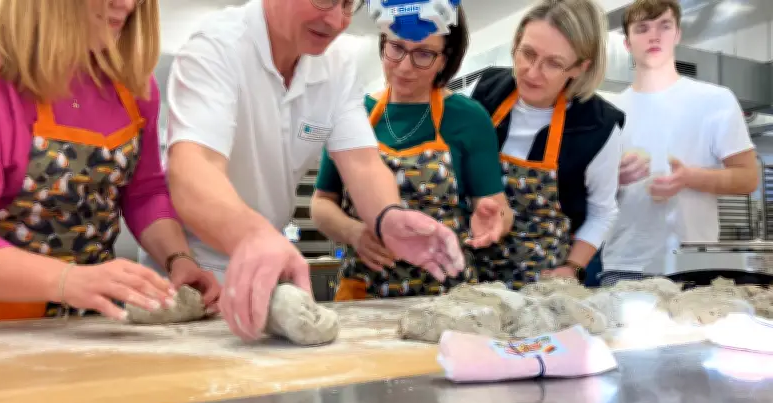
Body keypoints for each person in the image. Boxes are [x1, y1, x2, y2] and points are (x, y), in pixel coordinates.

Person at [158, 0, 470, 342]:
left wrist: (388, 217)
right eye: (325, 0)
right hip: (189, 271)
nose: (337, 21)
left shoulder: (337, 65)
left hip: (267, 267)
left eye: (349, 4)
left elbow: (363, 163)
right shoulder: (216, 47)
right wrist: (253, 236)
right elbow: (194, 167)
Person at [0, 0, 220, 322]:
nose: (128, 5)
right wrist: (67, 280)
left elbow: (144, 193)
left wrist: (178, 259)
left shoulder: (130, 84)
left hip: (89, 323)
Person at [310, 8, 512, 301]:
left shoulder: (469, 119)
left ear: (445, 59)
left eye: (423, 54)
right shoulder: (354, 113)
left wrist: (494, 219)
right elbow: (321, 203)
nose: (404, 67)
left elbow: (498, 209)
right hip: (364, 293)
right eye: (396, 48)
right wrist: (353, 232)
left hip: (446, 293)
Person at [599, 0, 759, 286]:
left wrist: (690, 178)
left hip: (695, 264)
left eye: (664, 26)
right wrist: (613, 178)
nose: (654, 35)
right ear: (627, 43)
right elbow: (586, 197)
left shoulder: (716, 100)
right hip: (625, 264)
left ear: (677, 35)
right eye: (642, 28)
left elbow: (748, 177)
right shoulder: (608, 112)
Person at [469, 0, 624, 290]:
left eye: (554, 63)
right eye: (527, 53)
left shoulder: (598, 126)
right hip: (470, 272)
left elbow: (603, 212)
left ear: (579, 67)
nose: (532, 71)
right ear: (515, 44)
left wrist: (572, 267)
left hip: (541, 285)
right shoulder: (483, 91)